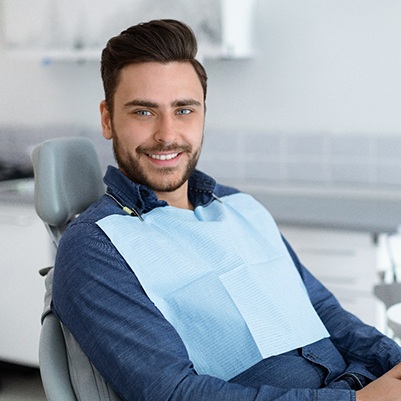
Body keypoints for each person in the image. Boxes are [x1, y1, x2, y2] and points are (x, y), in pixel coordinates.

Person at [52, 19, 401, 401]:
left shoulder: (238, 207)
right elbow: (174, 394)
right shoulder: (95, 246)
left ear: (203, 115)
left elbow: (324, 313)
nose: (167, 134)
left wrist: (395, 363)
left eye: (184, 110)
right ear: (107, 118)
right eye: (144, 112)